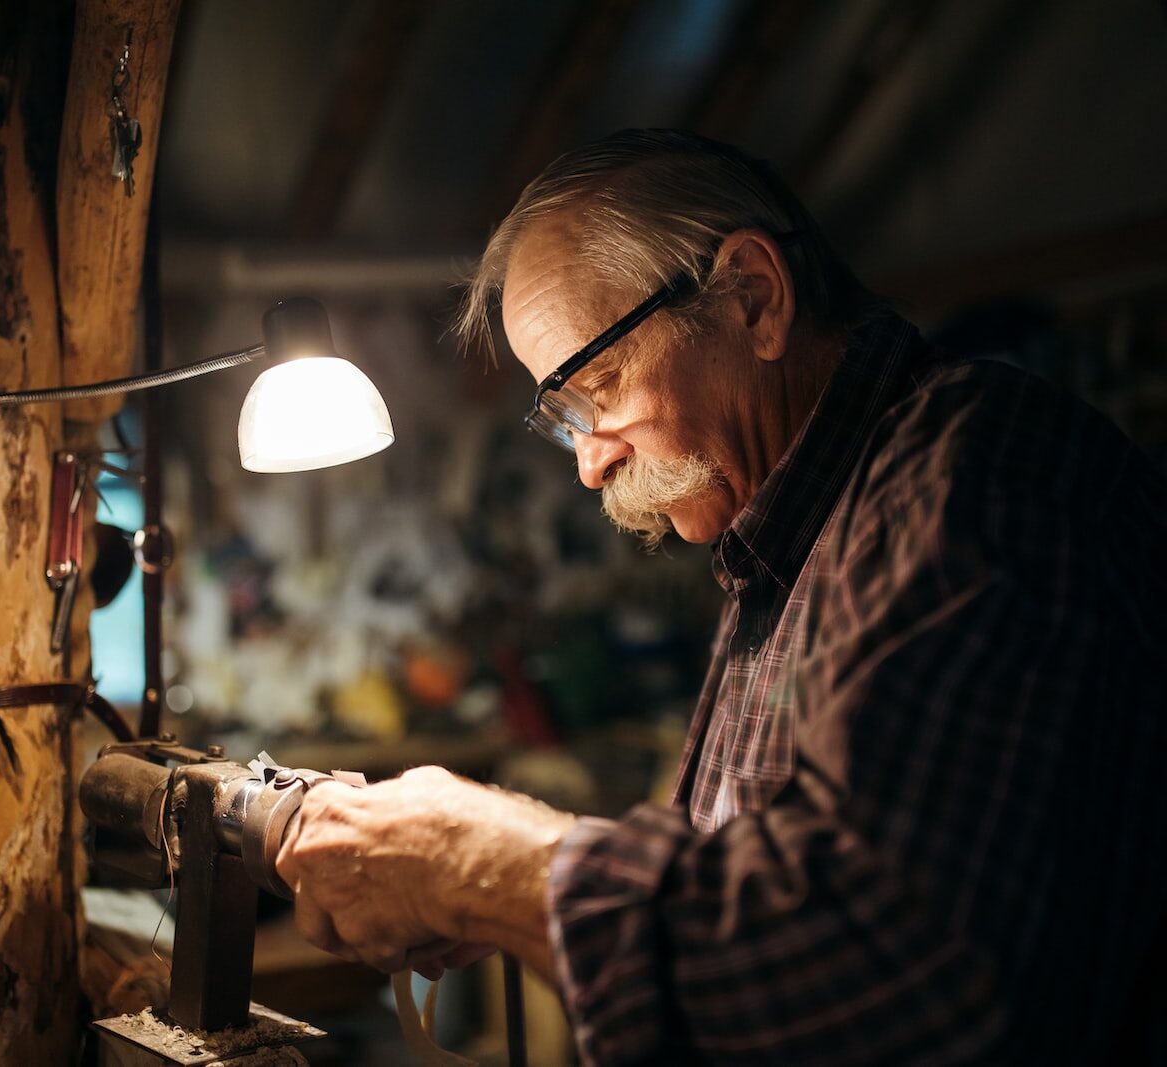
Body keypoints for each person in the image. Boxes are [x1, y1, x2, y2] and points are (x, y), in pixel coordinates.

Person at [273, 130, 1167, 1064]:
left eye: (600, 386)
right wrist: (493, 894)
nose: (588, 461)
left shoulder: (977, 471)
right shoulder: (778, 552)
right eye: (562, 416)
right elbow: (754, 894)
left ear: (753, 297)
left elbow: (889, 973)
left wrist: (483, 859)